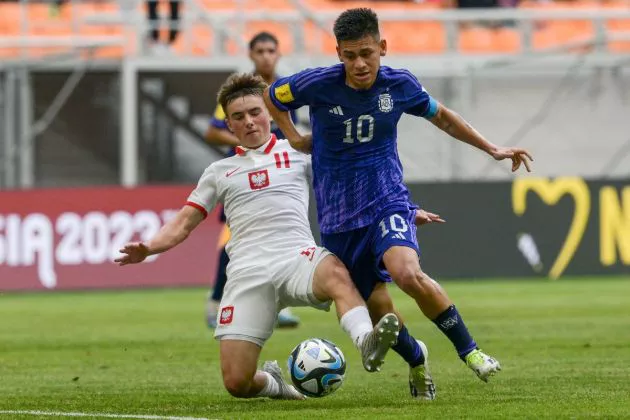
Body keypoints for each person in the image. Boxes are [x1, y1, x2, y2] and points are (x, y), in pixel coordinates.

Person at [264, 7, 533, 399]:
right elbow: (274, 95)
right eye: (351, 55)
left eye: (367, 53)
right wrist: (291, 135)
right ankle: (417, 360)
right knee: (378, 308)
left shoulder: (399, 85)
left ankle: (470, 351)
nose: (359, 64)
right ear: (338, 53)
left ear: (383, 48)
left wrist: (491, 148)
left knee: (408, 273)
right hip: (339, 217)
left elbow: (442, 117)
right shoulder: (317, 84)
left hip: (387, 200)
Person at [115, 73, 401, 400]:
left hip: (298, 258)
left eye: (255, 112)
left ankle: (366, 341)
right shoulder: (218, 173)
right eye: (238, 117)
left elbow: (355, 177)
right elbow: (182, 223)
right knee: (238, 383)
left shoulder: (299, 152)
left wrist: (398, 209)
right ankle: (277, 385)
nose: (249, 122)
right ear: (230, 126)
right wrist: (149, 247)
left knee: (337, 273)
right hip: (248, 273)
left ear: (269, 113)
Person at [205, 31, 303, 329]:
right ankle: (216, 303)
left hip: (280, 176)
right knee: (235, 243)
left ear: (278, 54)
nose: (265, 56)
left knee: (279, 241)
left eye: (271, 50)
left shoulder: (286, 91)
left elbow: (291, 133)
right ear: (250, 55)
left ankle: (273, 307)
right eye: (259, 50)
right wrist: (248, 141)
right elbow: (211, 131)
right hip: (246, 176)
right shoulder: (238, 93)